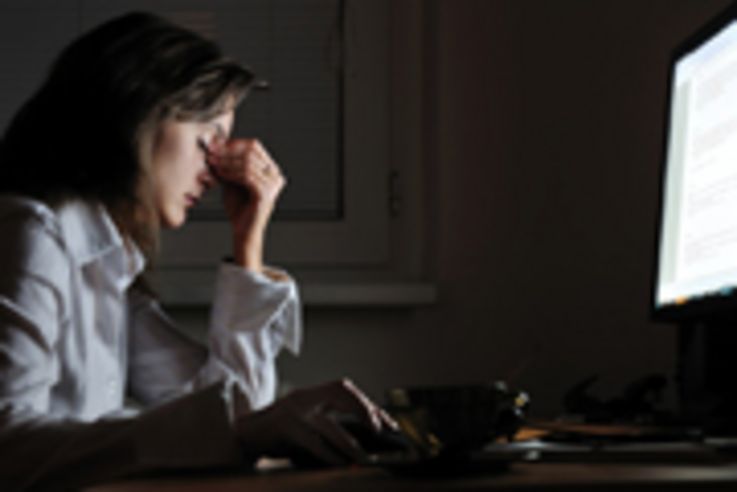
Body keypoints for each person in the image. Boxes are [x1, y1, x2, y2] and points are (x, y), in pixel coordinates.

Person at [0, 11, 395, 491]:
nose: (217, 168)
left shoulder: (108, 264)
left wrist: (248, 246)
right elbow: (8, 446)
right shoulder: (34, 234)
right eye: (209, 140)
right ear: (138, 114)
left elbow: (238, 415)